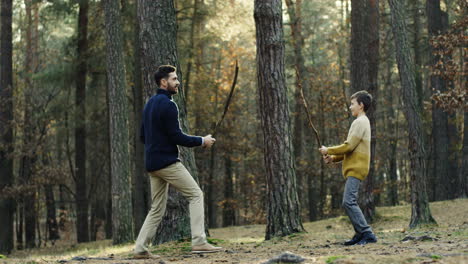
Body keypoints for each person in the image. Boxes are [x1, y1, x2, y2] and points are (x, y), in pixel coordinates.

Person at [134, 65, 222, 259]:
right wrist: (202, 141)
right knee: (196, 194)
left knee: (157, 208)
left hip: (152, 164)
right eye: (174, 79)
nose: (177, 82)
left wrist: (157, 144)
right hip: (167, 163)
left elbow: (142, 136)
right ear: (163, 82)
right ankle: (199, 241)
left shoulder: (149, 104)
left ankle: (140, 248)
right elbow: (177, 137)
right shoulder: (168, 104)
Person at [318, 90, 378, 246]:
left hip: (357, 168)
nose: (350, 107)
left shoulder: (361, 122)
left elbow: (348, 145)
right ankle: (360, 234)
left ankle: (367, 233)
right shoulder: (360, 122)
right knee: (348, 201)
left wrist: (328, 150)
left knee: (348, 202)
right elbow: (350, 149)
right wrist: (333, 158)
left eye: (352, 104)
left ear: (361, 105)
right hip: (355, 167)